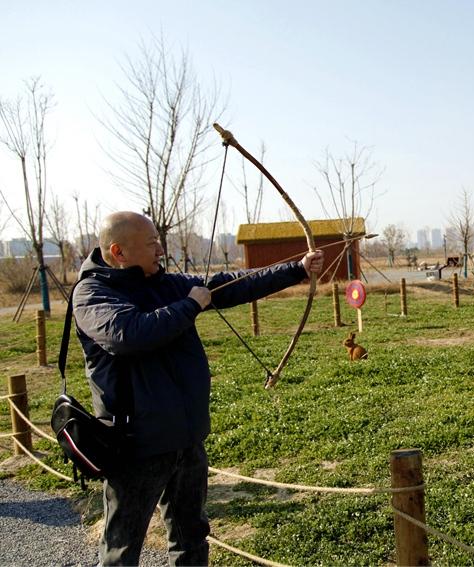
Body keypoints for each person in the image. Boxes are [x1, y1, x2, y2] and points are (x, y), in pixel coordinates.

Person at [72, 211, 324, 566]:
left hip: (186, 439)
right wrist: (191, 304)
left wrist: (297, 268)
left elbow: (230, 284)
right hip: (136, 446)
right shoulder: (92, 294)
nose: (161, 249)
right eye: (151, 243)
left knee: (191, 539)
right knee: (122, 548)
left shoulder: (164, 283)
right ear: (119, 252)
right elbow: (130, 334)